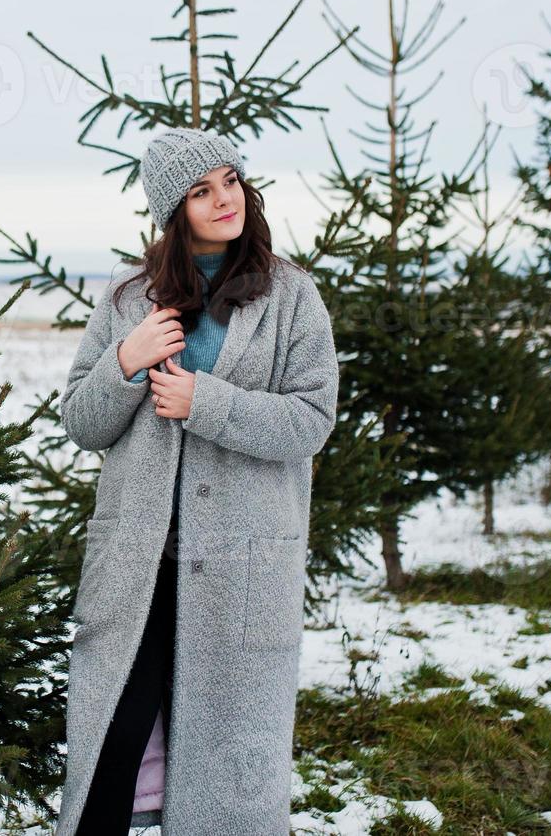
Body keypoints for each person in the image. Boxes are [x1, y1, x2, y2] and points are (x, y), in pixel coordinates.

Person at [56, 127, 340, 836]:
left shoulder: (291, 297)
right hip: (139, 560)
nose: (223, 200)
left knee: (226, 752)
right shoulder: (128, 299)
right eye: (200, 190)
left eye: (230, 182)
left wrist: (205, 404)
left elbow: (310, 421)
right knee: (115, 736)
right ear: (172, 209)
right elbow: (82, 423)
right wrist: (126, 360)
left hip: (242, 562)